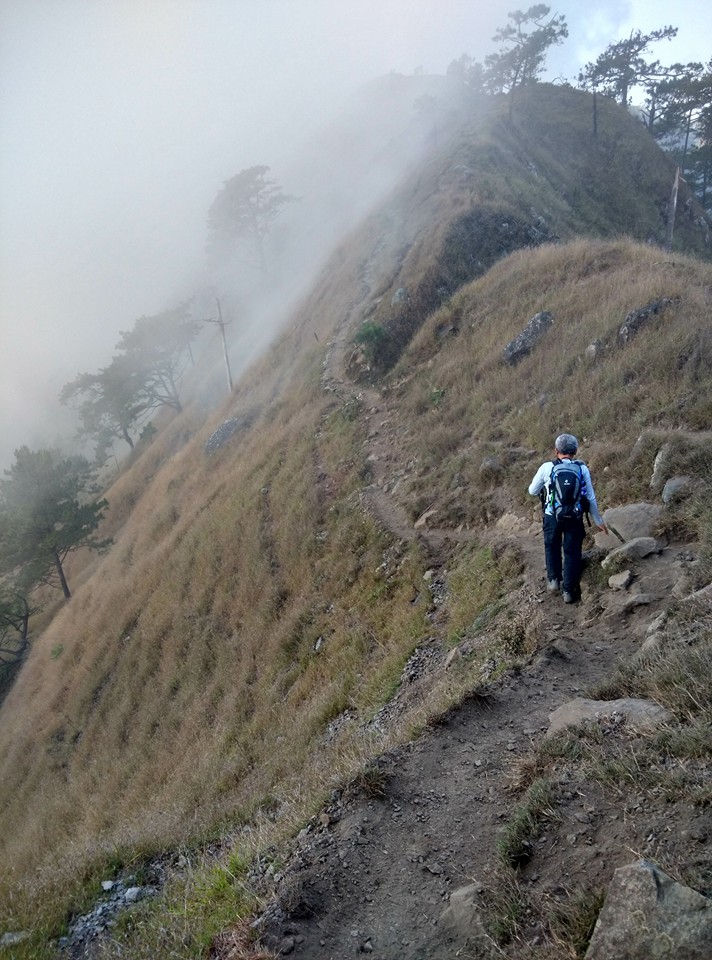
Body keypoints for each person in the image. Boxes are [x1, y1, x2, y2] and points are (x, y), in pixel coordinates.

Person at [528, 434, 608, 603]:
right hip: (574, 517)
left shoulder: (546, 467)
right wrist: (598, 521)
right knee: (572, 552)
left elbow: (532, 491)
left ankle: (554, 581)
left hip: (552, 516)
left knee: (552, 546)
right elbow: (591, 498)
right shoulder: (582, 469)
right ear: (575, 451)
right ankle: (568, 592)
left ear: (556, 451)